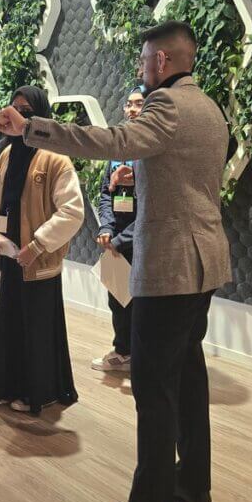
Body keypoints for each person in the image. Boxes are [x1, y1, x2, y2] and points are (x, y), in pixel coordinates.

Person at [0, 21, 231, 502]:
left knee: (153, 388)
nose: (141, 68)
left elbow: (111, 142)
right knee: (188, 376)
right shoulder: (211, 108)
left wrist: (32, 126)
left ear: (163, 62)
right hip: (206, 262)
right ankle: (193, 484)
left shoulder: (165, 108)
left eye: (145, 59)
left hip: (171, 268)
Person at [0, 86, 85, 414]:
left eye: (26, 111)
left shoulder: (55, 158)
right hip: (9, 254)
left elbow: (72, 211)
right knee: (9, 321)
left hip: (37, 260)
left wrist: (38, 245)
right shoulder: (7, 153)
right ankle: (8, 384)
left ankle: (36, 390)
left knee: (36, 326)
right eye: (14, 109)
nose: (18, 116)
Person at [92, 86, 144, 372]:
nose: (132, 109)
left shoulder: (153, 153)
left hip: (144, 240)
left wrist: (122, 238)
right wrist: (107, 228)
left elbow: (154, 206)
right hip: (116, 241)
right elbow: (105, 194)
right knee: (117, 299)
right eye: (129, 104)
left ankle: (141, 357)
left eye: (139, 104)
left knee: (141, 304)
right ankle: (122, 352)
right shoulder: (117, 150)